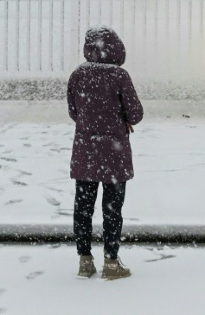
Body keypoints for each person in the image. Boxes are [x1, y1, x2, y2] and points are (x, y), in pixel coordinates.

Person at [68, 26, 144, 280]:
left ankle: (85, 261)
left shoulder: (78, 75)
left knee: (83, 207)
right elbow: (136, 114)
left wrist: (92, 121)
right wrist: (119, 118)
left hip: (86, 151)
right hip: (114, 151)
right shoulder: (119, 76)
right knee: (112, 208)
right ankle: (111, 263)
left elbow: (73, 111)